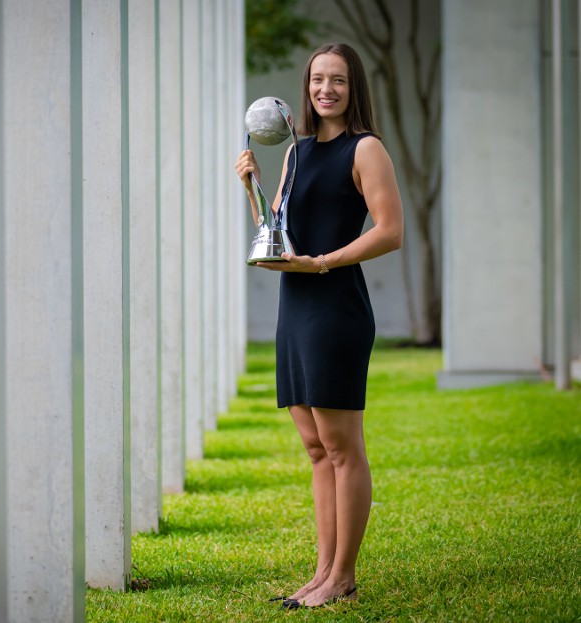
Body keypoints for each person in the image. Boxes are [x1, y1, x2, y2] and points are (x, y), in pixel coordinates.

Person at [234, 42, 404, 609]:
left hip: (336, 306)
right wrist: (252, 188)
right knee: (314, 447)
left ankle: (344, 576)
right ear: (305, 90)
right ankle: (323, 570)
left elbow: (389, 230)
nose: (325, 90)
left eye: (337, 81)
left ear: (353, 88)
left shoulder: (366, 149)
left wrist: (326, 261)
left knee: (341, 446)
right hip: (296, 303)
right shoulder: (298, 153)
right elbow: (278, 234)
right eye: (316, 81)